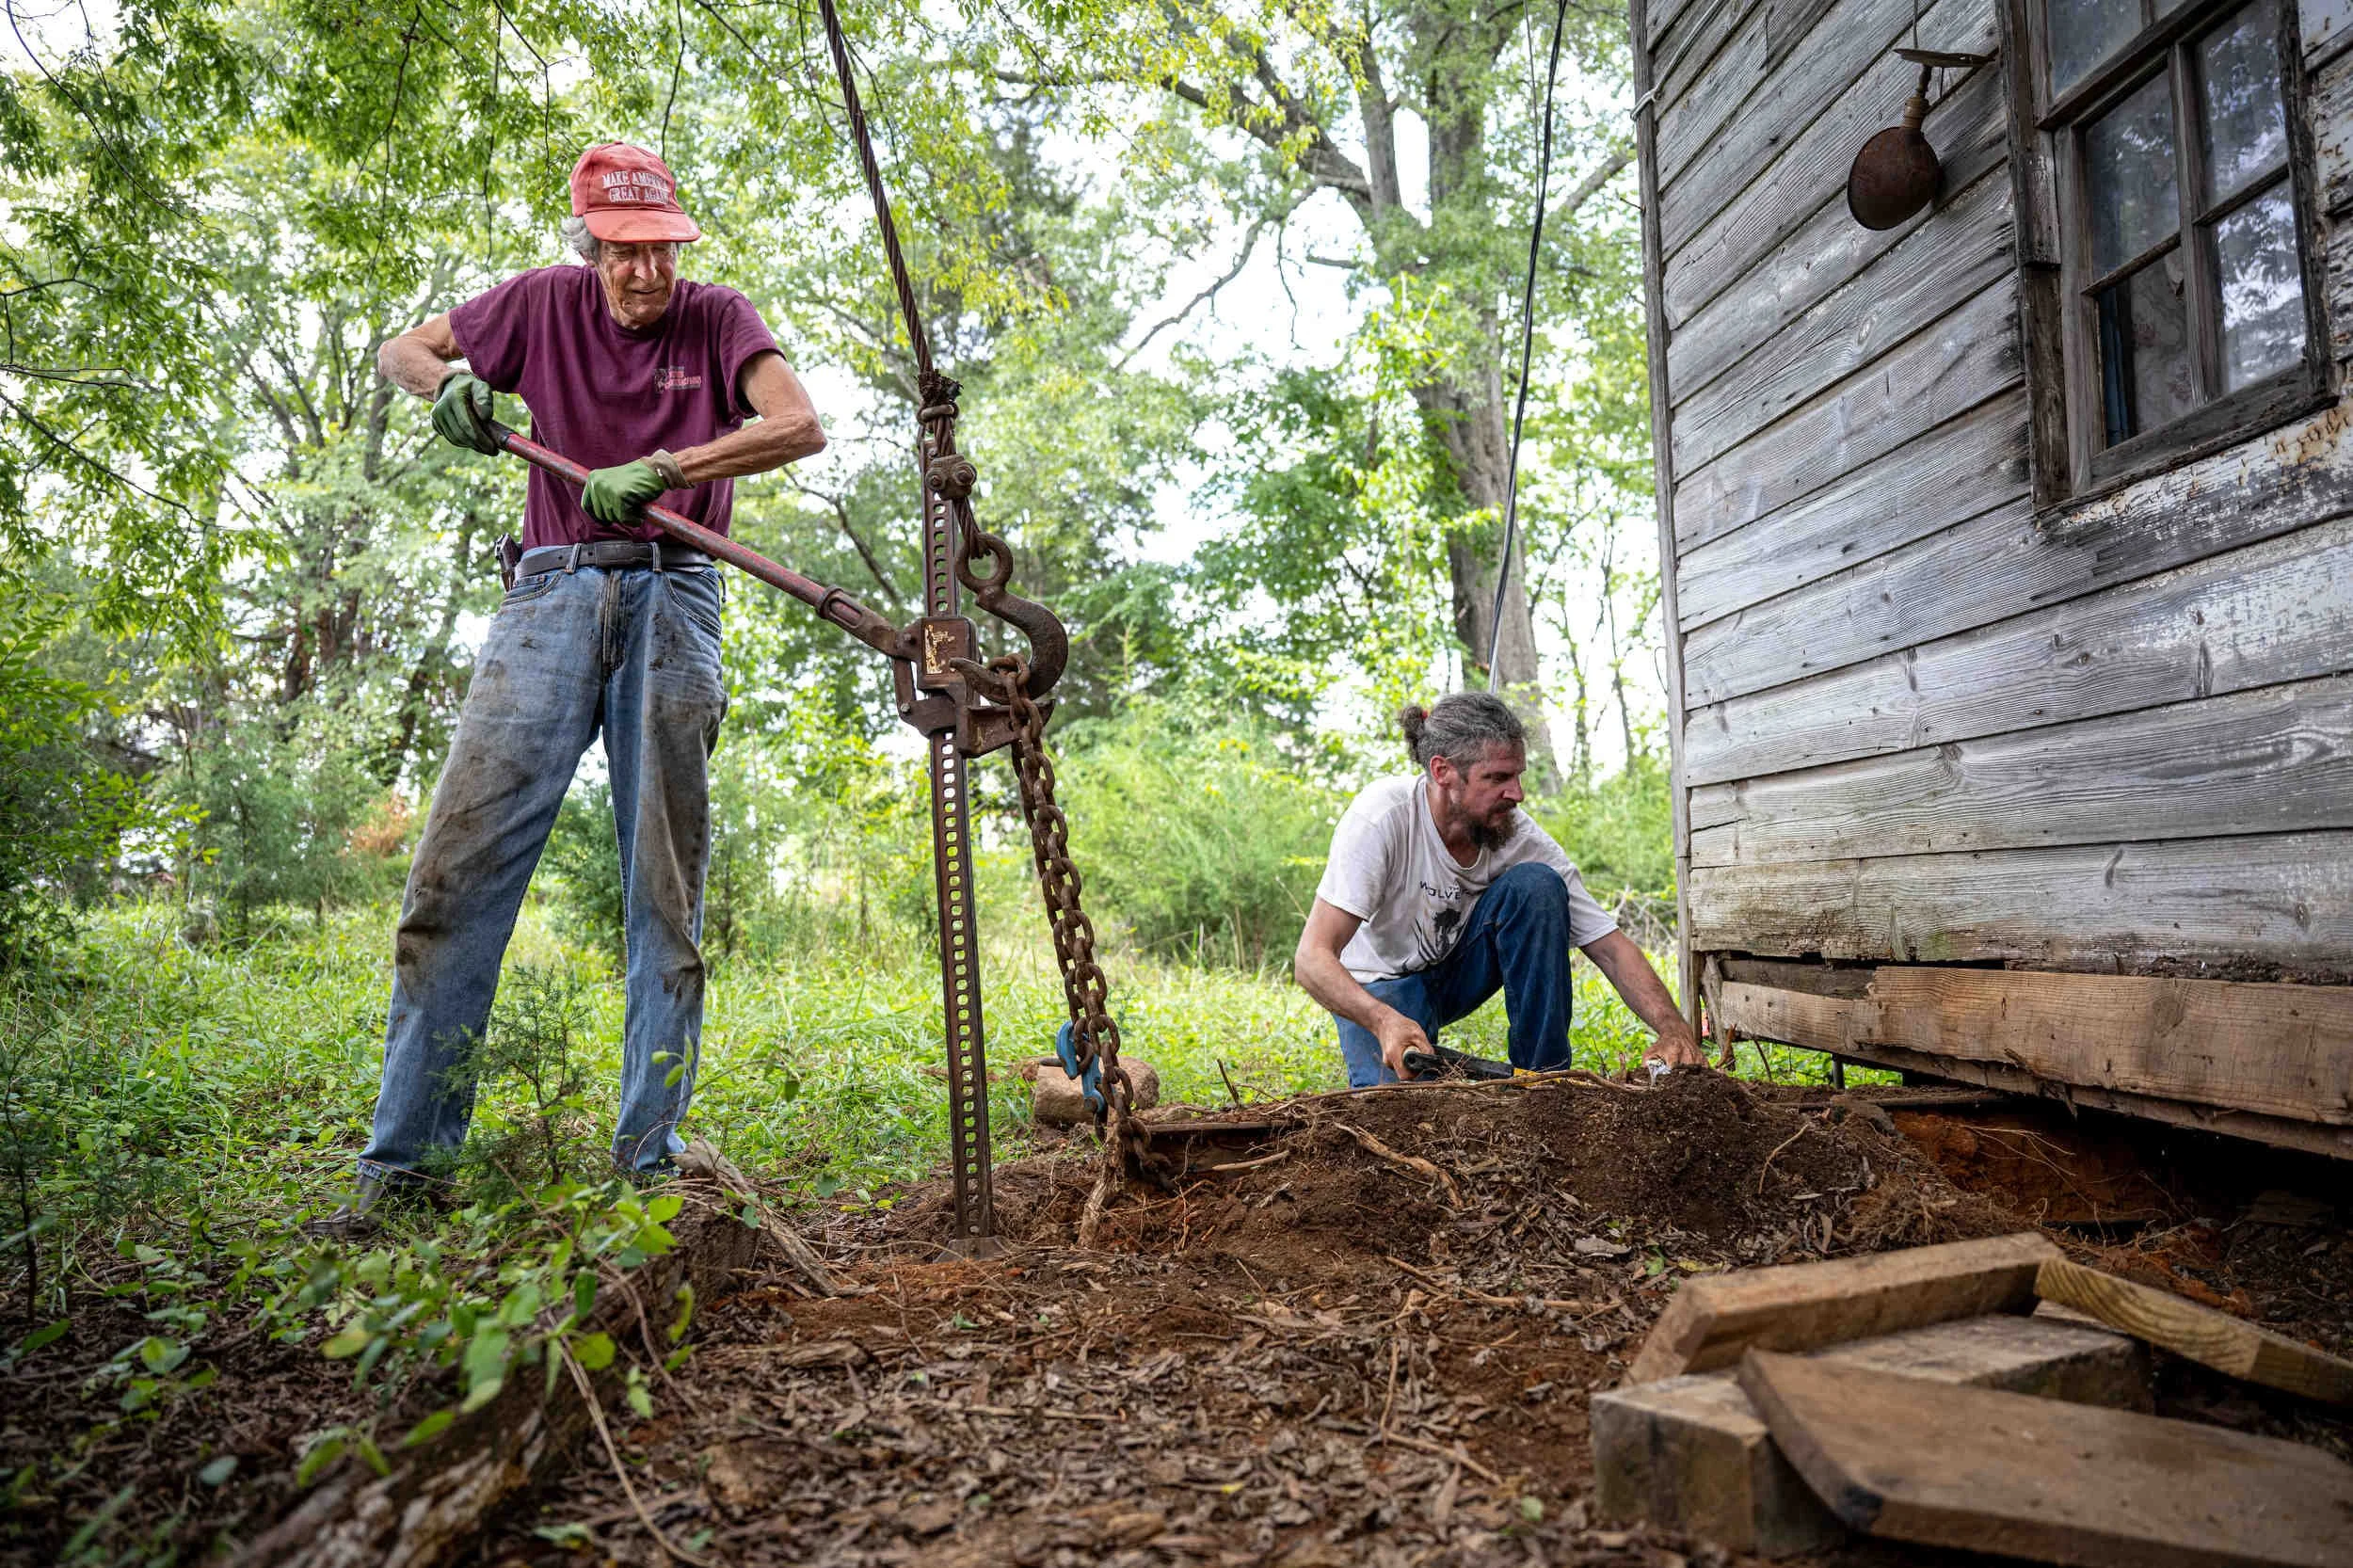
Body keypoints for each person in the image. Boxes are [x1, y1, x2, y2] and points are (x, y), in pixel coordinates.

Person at [313, 143, 826, 1231]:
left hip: (676, 592)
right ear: (589, 248)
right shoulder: (540, 304)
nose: (645, 272)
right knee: (455, 875)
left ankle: (648, 1164)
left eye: (661, 250)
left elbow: (797, 424)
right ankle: (404, 1174)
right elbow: (403, 348)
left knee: (664, 891)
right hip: (547, 593)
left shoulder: (719, 318)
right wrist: (450, 385)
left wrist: (671, 468)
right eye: (622, 252)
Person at [1292, 691, 1705, 1086]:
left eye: (1518, 775)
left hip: (1455, 974)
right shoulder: (1383, 817)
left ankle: (1543, 1081)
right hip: (1380, 987)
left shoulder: (1518, 836)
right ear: (1442, 771)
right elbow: (1311, 959)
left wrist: (1674, 1030)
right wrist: (1383, 1021)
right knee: (1399, 1112)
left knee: (1537, 886)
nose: (1518, 794)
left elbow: (1611, 948)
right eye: (1497, 778)